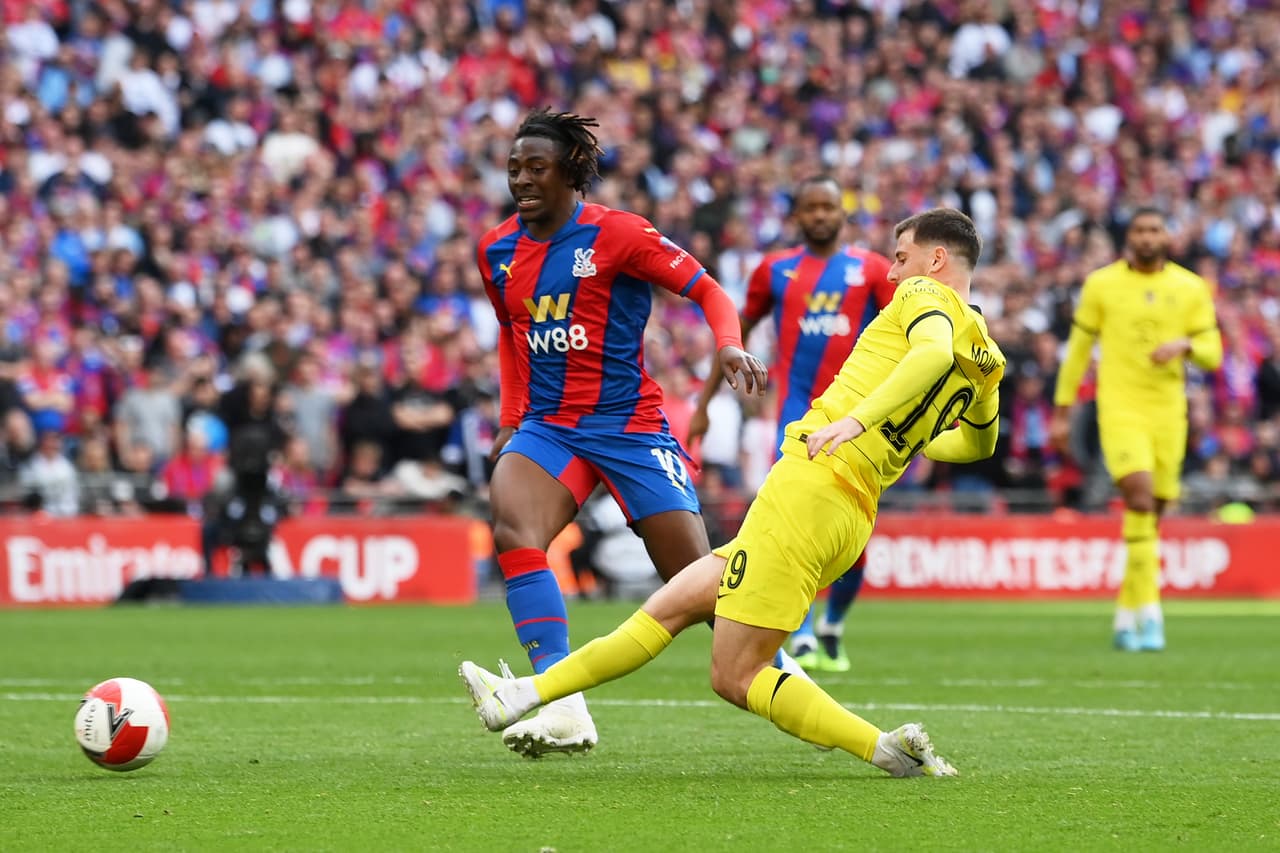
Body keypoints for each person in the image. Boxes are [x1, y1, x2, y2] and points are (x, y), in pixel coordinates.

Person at [462, 208, 1003, 777]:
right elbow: (977, 445)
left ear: (936, 260)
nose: (892, 275)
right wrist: (900, 439)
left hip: (813, 485)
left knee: (736, 674)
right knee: (671, 606)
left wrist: (859, 422)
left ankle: (887, 752)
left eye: (901, 258)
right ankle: (524, 695)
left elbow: (931, 353)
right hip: (849, 508)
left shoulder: (924, 294)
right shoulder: (988, 353)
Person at [475, 108, 769, 757]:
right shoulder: (495, 250)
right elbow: (510, 334)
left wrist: (726, 346)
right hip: (551, 428)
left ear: (572, 173)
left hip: (630, 428)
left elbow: (711, 291)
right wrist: (509, 417)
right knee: (512, 524)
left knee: (699, 586)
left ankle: (787, 682)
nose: (521, 179)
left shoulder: (620, 234)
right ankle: (560, 699)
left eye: (536, 168)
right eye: (514, 168)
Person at [690, 175, 896, 672]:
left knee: (852, 533)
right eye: (811, 207)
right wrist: (702, 406)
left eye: (829, 206)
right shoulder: (775, 270)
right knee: (791, 530)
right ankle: (799, 632)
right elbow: (732, 337)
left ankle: (833, 627)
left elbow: (904, 338)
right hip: (798, 418)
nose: (821, 215)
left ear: (842, 214)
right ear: (797, 216)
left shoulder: (870, 269)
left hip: (857, 419)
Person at [1051, 208, 1222, 653]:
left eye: (1155, 229)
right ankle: (1151, 616)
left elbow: (1213, 353)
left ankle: (1126, 615)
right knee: (1140, 498)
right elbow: (1078, 351)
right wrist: (1063, 410)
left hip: (1168, 413)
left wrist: (1186, 344)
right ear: (1130, 237)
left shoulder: (1190, 288)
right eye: (1140, 231)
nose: (1148, 237)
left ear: (1167, 236)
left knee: (1151, 518)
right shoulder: (1101, 285)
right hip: (1121, 408)